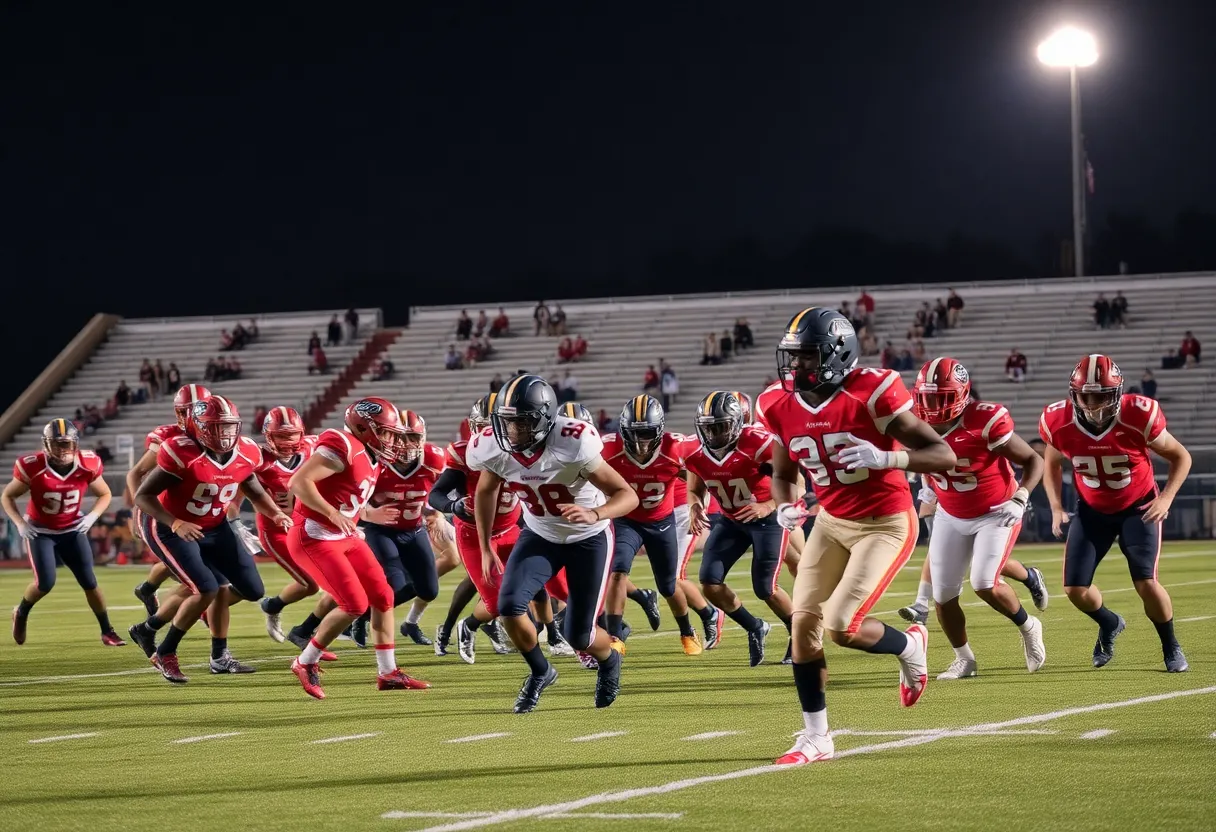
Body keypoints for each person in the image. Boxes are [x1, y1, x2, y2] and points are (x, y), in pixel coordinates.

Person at [758, 307, 957, 766]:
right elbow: (783, 473)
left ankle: (910, 645)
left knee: (841, 626)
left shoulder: (873, 391)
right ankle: (817, 737)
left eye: (807, 356)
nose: (796, 367)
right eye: (793, 356)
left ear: (836, 353)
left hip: (885, 522)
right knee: (803, 626)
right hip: (829, 521)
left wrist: (888, 459)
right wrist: (786, 503)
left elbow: (942, 454)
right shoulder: (776, 402)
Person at [466, 374, 639, 713]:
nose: (512, 430)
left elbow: (627, 495)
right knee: (510, 606)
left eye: (522, 422)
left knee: (580, 636)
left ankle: (609, 661)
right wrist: (485, 545)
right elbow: (485, 491)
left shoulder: (573, 442)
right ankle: (541, 671)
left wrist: (596, 513)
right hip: (540, 534)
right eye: (507, 421)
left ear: (544, 419)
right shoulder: (494, 447)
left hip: (588, 539)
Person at [1039, 355, 1191, 672]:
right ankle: (1109, 624)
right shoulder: (1058, 421)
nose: (1093, 405)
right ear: (1073, 394)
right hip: (1093, 511)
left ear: (1117, 393)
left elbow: (1181, 456)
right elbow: (1051, 464)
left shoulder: (1139, 415)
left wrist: (1165, 498)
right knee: (1074, 590)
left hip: (1139, 508)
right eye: (1086, 395)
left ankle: (1171, 646)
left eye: (1101, 395)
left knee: (1146, 583)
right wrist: (1055, 506)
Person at [904, 358, 1048, 679]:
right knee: (942, 596)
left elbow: (1032, 460)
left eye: (941, 397)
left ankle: (1028, 626)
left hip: (995, 511)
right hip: (951, 512)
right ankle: (965, 659)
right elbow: (925, 460)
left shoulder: (984, 419)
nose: (933, 406)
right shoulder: (913, 422)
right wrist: (928, 489)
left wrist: (1020, 497)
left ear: (962, 394)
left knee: (984, 583)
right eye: (926, 398)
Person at [129, 396, 289, 683]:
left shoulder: (247, 452)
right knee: (205, 589)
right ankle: (167, 652)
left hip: (215, 526)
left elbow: (252, 488)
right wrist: (175, 522)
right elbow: (143, 496)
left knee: (252, 590)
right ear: (198, 427)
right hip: (169, 527)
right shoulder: (181, 452)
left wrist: (276, 513)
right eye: (215, 428)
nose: (224, 435)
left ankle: (148, 628)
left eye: (228, 427)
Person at [286, 398, 431, 698]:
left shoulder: (371, 455)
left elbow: (350, 498)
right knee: (354, 604)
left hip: (344, 536)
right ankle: (305, 661)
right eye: (388, 433)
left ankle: (388, 672)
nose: (394, 440)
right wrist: (332, 513)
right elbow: (298, 482)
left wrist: (360, 517)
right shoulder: (344, 445)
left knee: (383, 595)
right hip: (314, 535)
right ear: (365, 428)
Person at [427, 396, 560, 660]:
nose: (488, 434)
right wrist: (453, 506)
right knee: (499, 602)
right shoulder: (466, 453)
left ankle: (555, 638)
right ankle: (466, 626)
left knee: (537, 584)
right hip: (475, 535)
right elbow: (436, 494)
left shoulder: (527, 449)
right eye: (483, 427)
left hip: (512, 529)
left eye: (495, 426)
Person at [683, 391, 795, 667]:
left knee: (765, 587)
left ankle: (801, 634)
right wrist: (695, 506)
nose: (713, 434)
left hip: (768, 520)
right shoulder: (695, 451)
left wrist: (768, 505)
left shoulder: (758, 444)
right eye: (708, 427)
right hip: (732, 520)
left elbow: (796, 485)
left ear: (736, 424)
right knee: (709, 582)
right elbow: (694, 489)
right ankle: (754, 625)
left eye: (720, 426)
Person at [602, 395, 720, 655]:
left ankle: (687, 630)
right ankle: (614, 635)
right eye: (634, 434)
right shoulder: (608, 448)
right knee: (617, 571)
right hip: (626, 520)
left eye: (646, 433)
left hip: (661, 521)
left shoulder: (676, 448)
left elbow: (700, 475)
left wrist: (695, 503)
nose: (640, 442)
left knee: (668, 585)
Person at [3, 420, 123, 647]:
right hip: (40, 532)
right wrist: (20, 523)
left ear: (75, 443)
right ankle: (21, 611)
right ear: (46, 445)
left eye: (66, 443)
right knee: (45, 583)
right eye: (57, 444)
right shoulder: (32, 466)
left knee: (89, 581)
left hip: (72, 529)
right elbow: (7, 496)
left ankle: (107, 631)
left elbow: (105, 494)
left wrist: (91, 517)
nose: (62, 449)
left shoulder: (88, 464)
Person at [355, 411, 449, 647]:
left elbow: (438, 493)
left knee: (428, 590)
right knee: (394, 586)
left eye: (413, 438)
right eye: (399, 438)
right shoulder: (374, 462)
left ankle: (360, 616)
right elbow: (349, 500)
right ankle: (357, 618)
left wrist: (436, 513)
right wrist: (369, 514)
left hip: (414, 529)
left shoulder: (434, 459)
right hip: (381, 531)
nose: (407, 445)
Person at [129, 384, 212, 616]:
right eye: (187, 410)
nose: (193, 416)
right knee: (193, 567)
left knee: (187, 561)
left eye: (199, 409)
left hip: (194, 507)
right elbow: (135, 474)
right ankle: (191, 613)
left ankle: (148, 589)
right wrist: (137, 513)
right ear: (178, 413)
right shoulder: (168, 436)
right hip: (166, 510)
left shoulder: (218, 432)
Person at [251, 407, 323, 645]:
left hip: (307, 525)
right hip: (276, 529)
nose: (288, 441)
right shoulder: (258, 457)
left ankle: (274, 607)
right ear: (268, 435)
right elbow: (240, 489)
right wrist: (233, 521)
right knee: (310, 584)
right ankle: (272, 606)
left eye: (292, 434)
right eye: (281, 435)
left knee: (330, 578)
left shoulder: (313, 447)